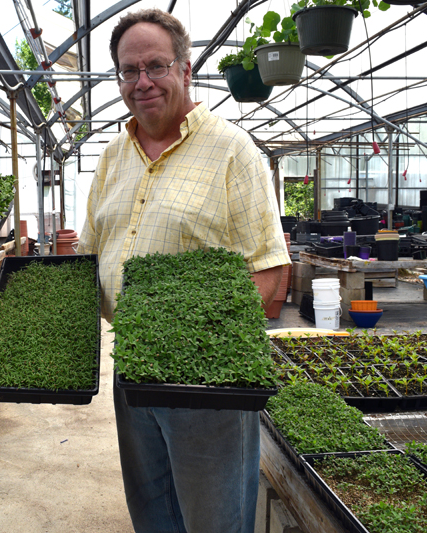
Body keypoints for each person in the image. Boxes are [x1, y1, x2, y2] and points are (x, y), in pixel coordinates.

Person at [77, 9, 290, 533]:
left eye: (156, 66)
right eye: (130, 71)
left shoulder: (231, 150)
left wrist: (202, 344)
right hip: (132, 370)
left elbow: (270, 273)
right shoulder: (112, 157)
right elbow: (88, 256)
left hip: (206, 386)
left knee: (213, 521)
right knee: (153, 514)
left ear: (186, 69)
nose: (142, 81)